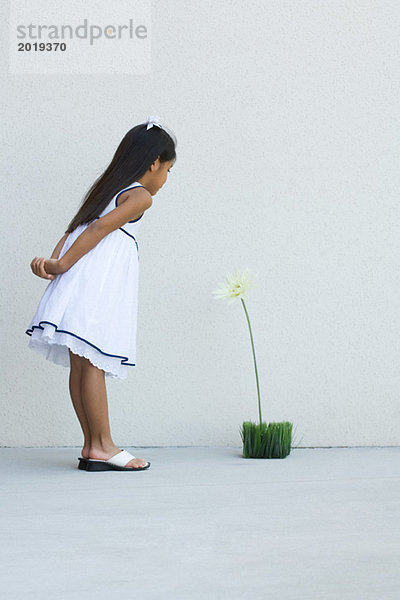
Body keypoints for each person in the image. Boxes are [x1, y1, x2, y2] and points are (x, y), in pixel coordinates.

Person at [24, 115, 177, 472]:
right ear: (154, 162)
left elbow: (76, 228)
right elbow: (98, 229)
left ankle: (92, 445)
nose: (166, 179)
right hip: (98, 284)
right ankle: (104, 444)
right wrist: (58, 265)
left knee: (81, 363)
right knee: (92, 360)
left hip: (82, 277)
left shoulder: (107, 190)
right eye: (168, 169)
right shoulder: (139, 197)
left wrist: (55, 259)